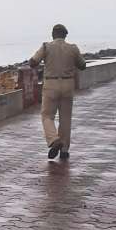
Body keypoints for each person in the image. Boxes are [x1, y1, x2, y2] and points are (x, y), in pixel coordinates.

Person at [29, 23, 86, 161]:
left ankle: (54, 140)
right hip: (67, 85)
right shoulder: (73, 48)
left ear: (53, 34)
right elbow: (82, 65)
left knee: (47, 116)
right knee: (65, 119)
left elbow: (33, 62)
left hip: (51, 84)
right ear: (65, 35)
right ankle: (65, 150)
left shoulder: (46, 47)